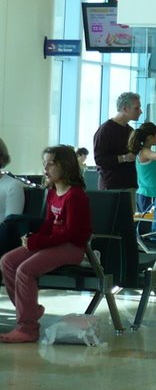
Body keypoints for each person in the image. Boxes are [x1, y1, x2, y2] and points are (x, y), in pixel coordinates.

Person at [1, 145, 92, 344]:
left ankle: (28, 327)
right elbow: (49, 224)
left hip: (72, 248)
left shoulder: (75, 195)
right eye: (44, 163)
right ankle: (30, 311)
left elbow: (70, 233)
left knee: (25, 270)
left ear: (65, 166)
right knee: (7, 261)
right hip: (55, 243)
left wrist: (38, 241)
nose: (46, 167)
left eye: (51, 163)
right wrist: (34, 238)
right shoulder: (52, 193)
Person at [93, 91, 143, 190]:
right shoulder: (105, 130)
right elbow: (99, 159)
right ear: (125, 108)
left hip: (130, 186)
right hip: (111, 187)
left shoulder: (130, 131)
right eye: (136, 108)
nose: (140, 111)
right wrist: (124, 158)